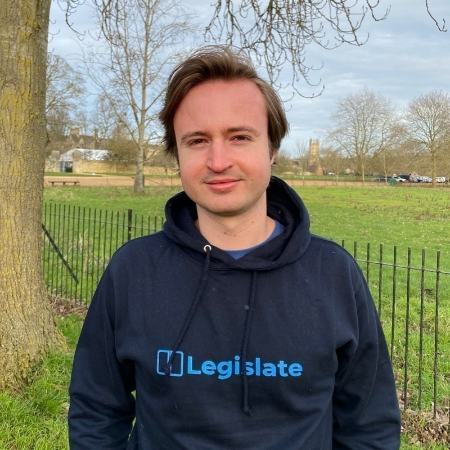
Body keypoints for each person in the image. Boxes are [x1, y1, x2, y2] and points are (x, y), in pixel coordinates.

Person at [68, 46, 401, 449]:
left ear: (272, 149)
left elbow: (369, 425)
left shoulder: (333, 272)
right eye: (197, 140)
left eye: (239, 137)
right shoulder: (133, 270)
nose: (218, 160)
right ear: (177, 156)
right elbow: (96, 411)